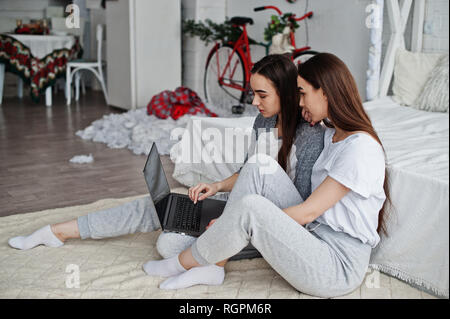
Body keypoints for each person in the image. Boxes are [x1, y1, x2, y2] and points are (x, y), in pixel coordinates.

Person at [7, 54, 325, 286]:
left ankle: (212, 261)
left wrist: (232, 221)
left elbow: (304, 204)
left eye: (262, 94)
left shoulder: (309, 135)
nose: (253, 101)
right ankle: (57, 231)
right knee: (162, 208)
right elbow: (249, 173)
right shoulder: (264, 121)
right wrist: (216, 187)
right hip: (240, 208)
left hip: (272, 225)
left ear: (286, 93)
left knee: (167, 245)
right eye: (252, 93)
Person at [143, 53, 391, 298]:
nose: (300, 102)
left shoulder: (360, 148)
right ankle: (213, 266)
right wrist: (228, 210)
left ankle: (179, 265)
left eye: (303, 94)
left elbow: (308, 212)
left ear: (325, 92)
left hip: (336, 266)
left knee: (250, 208)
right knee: (259, 164)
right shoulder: (331, 135)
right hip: (312, 236)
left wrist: (235, 221)